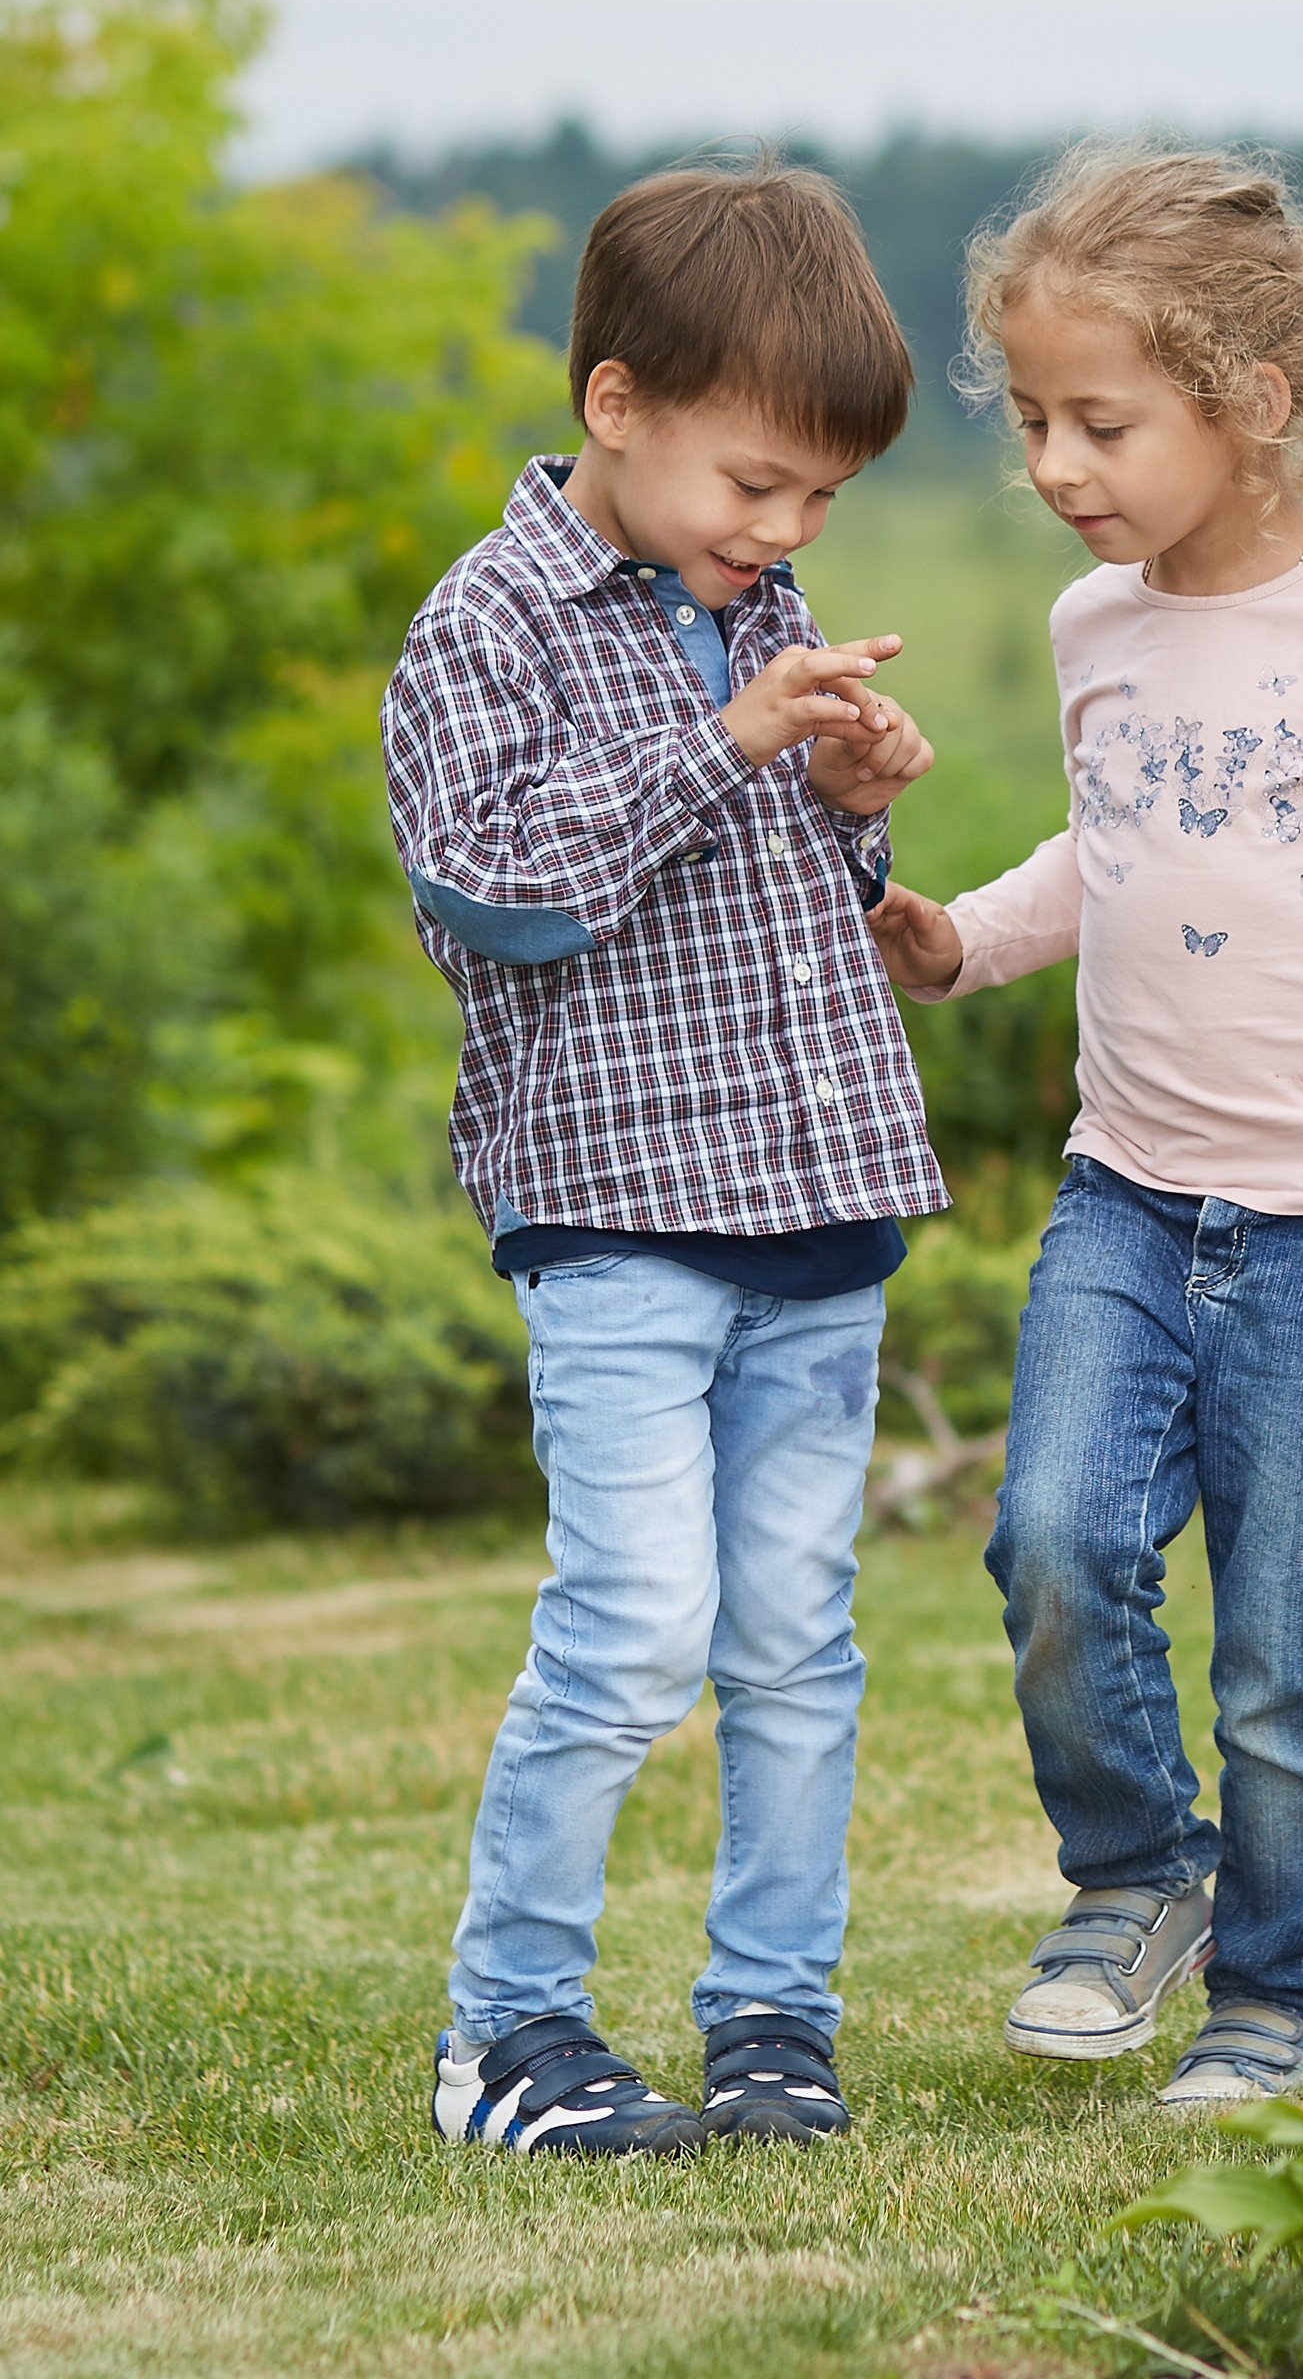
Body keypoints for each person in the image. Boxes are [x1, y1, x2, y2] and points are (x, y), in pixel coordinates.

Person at [868, 145, 1303, 2111]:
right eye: (1030, 421)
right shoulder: (1094, 626)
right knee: (1051, 1543)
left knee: (1282, 1648)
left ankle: (1285, 2001)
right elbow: (1115, 855)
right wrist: (958, 944)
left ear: (1253, 405)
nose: (1054, 463)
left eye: (1099, 420)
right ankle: (1137, 1878)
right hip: (1125, 1197)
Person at [381, 160, 949, 2155]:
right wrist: (723, 750)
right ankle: (507, 2033)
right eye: (753, 484)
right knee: (634, 1627)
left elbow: (777, 904)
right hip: (616, 1218)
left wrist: (850, 801)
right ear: (617, 406)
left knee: (796, 1637)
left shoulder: (753, 605)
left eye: (817, 501)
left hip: (809, 1207)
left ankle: (773, 2018)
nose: (783, 532)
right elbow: (499, 899)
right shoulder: (490, 626)